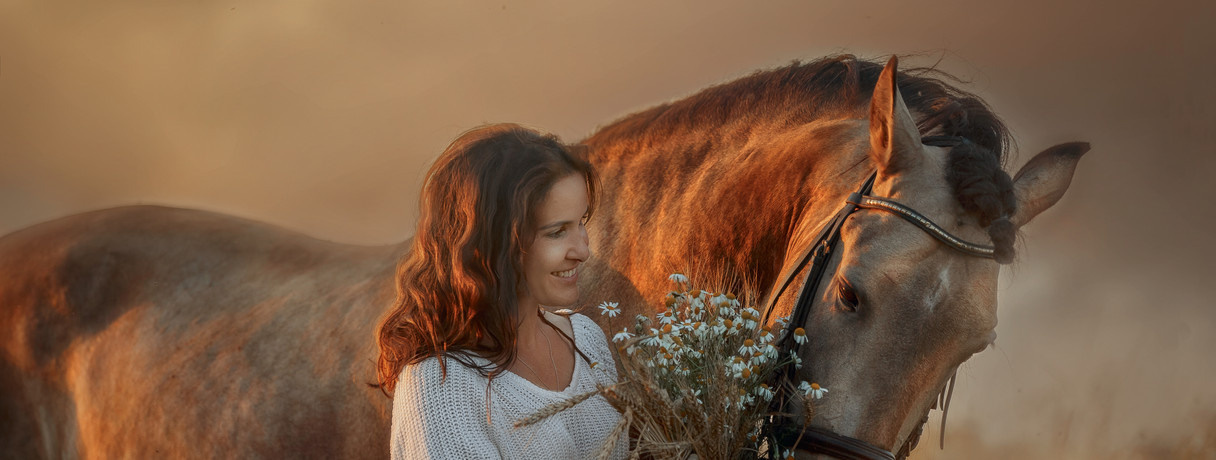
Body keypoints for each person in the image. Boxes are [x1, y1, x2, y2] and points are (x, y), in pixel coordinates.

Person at [375, 124, 626, 459]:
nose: (582, 250)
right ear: (492, 241)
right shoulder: (440, 389)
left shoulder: (587, 340)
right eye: (557, 232)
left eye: (581, 222)